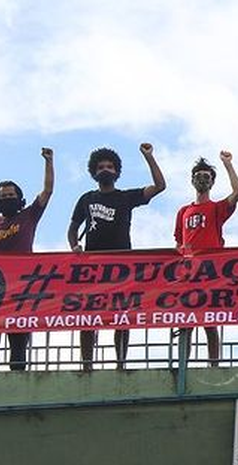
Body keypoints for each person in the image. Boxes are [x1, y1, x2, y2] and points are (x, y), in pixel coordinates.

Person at [68, 144, 166, 370]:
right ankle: (87, 365)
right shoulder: (86, 199)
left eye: (110, 166)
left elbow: (160, 186)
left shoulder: (126, 197)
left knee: (122, 316)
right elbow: (73, 228)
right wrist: (75, 247)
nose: (106, 170)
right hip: (92, 265)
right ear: (94, 171)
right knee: (89, 315)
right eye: (101, 167)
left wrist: (148, 156)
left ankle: (121, 362)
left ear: (117, 171)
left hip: (123, 265)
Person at [0, 147, 54, 371]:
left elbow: (47, 191)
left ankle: (18, 376)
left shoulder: (29, 215)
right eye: (4, 196)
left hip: (23, 288)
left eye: (11, 195)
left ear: (19, 198)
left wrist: (48, 161)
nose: (8, 198)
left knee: (18, 339)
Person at [173, 151, 238, 367]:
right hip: (187, 274)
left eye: (207, 176)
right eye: (198, 175)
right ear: (192, 180)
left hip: (210, 273)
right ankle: (183, 363)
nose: (202, 179)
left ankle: (214, 364)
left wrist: (227, 164)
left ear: (212, 181)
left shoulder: (216, 209)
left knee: (209, 320)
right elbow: (178, 241)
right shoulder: (183, 211)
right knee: (185, 320)